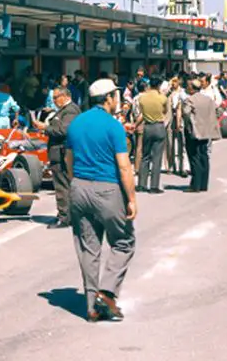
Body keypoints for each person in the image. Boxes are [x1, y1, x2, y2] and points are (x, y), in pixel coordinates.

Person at [65, 78, 137, 322]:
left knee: (88, 246)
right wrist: (131, 199)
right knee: (124, 241)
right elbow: (124, 166)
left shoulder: (76, 123)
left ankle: (91, 307)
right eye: (115, 96)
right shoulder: (113, 126)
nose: (117, 101)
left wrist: (77, 184)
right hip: (107, 189)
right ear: (108, 98)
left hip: (79, 187)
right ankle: (107, 293)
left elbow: (68, 160)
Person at [33, 87, 81, 229]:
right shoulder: (63, 110)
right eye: (53, 98)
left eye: (56, 97)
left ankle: (64, 217)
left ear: (65, 96)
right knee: (65, 184)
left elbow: (63, 130)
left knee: (62, 186)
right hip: (60, 152)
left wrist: (44, 127)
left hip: (62, 153)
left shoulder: (70, 110)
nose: (54, 101)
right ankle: (69, 215)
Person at [182, 79, 221, 193]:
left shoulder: (189, 100)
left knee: (194, 157)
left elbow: (186, 114)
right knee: (204, 156)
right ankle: (204, 184)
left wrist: (190, 125)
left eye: (189, 86)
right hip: (206, 131)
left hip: (194, 131)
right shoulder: (208, 99)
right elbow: (217, 111)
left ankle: (196, 184)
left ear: (193, 88)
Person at [136, 77, 169, 194]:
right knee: (157, 157)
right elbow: (165, 111)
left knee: (145, 156)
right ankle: (154, 186)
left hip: (147, 126)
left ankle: (141, 184)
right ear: (159, 85)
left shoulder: (142, 98)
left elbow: (142, 112)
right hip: (159, 126)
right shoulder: (163, 98)